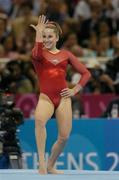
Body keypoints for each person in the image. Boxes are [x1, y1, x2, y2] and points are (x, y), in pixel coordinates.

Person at [30, 15, 91, 175]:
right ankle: (42, 163)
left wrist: (75, 89)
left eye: (50, 36)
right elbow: (36, 54)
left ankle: (51, 165)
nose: (47, 39)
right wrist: (38, 35)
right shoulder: (39, 54)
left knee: (64, 137)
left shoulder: (66, 54)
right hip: (46, 97)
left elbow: (86, 73)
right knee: (39, 120)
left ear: (57, 37)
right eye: (44, 36)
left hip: (63, 98)